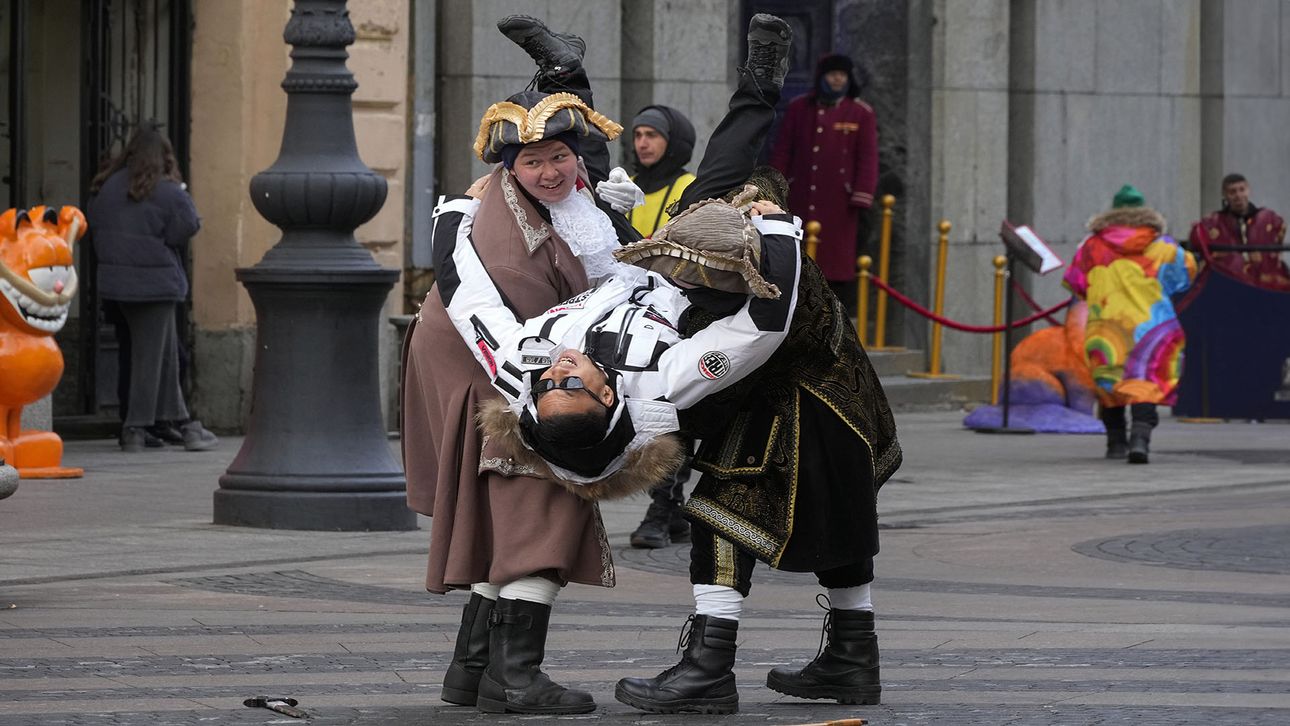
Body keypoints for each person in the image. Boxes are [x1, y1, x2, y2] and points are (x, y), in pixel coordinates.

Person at [400, 13, 792, 716]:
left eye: (557, 158)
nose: (550, 171)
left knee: (516, 510)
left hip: (579, 330)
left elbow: (489, 282)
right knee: (534, 502)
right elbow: (761, 325)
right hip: (560, 333)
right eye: (531, 163)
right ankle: (508, 676)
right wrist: (775, 233)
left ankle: (481, 671)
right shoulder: (641, 374)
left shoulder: (574, 233)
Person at [442, 176, 901, 714]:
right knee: (741, 516)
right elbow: (766, 323)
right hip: (798, 390)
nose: (557, 370)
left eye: (548, 386)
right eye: (565, 386)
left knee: (806, 517)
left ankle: (830, 658)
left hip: (824, 393)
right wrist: (776, 229)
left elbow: (465, 296)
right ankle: (743, 666)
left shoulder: (523, 367)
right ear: (608, 395)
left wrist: (454, 214)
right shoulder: (666, 375)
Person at [86, 124, 218, 453]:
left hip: (115, 286)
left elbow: (95, 230)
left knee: (157, 355)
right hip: (155, 288)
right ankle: (138, 427)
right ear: (163, 157)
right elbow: (185, 229)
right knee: (151, 359)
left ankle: (176, 421)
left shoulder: (106, 187)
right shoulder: (169, 192)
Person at [1063, 184, 1196, 464]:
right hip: (1152, 328)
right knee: (1144, 384)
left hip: (1106, 327)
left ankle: (1115, 442)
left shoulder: (1091, 246)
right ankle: (1140, 437)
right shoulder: (1164, 246)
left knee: (1109, 384)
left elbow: (1077, 283)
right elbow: (1186, 274)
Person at [623, 105, 699, 548]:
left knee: (673, 411)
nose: (644, 144)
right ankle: (672, 513)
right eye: (638, 134)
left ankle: (661, 506)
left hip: (678, 314)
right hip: (632, 314)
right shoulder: (627, 186)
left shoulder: (689, 187)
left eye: (653, 135)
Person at [769, 52, 878, 301]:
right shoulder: (799, 108)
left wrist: (862, 194)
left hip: (840, 205)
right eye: (833, 74)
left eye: (843, 74)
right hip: (801, 197)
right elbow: (784, 150)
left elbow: (868, 157)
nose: (838, 79)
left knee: (835, 264)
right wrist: (775, 187)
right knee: (797, 261)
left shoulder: (860, 113)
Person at [1187, 173, 1290, 290]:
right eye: (1232, 192)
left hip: (1266, 287)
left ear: (1248, 190)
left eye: (1242, 190)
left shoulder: (1269, 219)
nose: (1238, 195)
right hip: (1228, 287)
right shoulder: (1213, 223)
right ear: (1225, 195)